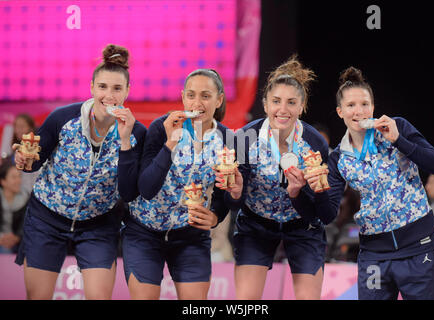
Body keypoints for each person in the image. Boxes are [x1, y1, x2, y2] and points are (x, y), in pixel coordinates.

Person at [13, 44, 146, 300]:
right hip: (47, 219)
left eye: (117, 88)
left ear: (128, 91)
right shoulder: (63, 118)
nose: (109, 95)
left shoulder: (137, 133)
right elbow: (35, 160)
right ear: (92, 88)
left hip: (98, 225)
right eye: (103, 87)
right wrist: (23, 159)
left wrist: (126, 141)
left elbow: (129, 192)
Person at [119, 68, 240, 299]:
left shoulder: (228, 139)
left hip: (190, 236)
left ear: (219, 100)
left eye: (206, 95)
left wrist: (215, 216)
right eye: (191, 95)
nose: (197, 102)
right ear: (183, 97)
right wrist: (170, 145)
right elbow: (146, 189)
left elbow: (227, 193)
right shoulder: (160, 128)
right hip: (144, 232)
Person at [327, 66, 434, 300]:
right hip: (374, 256)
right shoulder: (338, 158)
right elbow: (328, 213)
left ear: (373, 106)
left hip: (419, 248)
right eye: (351, 106)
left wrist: (399, 141)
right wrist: (303, 190)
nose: (359, 111)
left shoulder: (396, 127)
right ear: (340, 111)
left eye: (365, 104)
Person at [231, 56, 337, 300]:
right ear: (265, 104)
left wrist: (299, 194)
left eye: (291, 103)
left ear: (302, 106)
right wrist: (234, 193)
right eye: (276, 101)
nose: (283, 109)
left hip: (302, 226)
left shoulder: (315, 143)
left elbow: (322, 213)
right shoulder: (243, 137)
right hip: (255, 225)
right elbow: (233, 204)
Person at [0, 113, 40, 195]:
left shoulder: (36, 148)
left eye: (21, 127)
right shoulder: (13, 147)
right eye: (16, 127)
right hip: (17, 192)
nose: (18, 130)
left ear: (31, 128)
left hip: (31, 191)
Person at [0, 160, 29, 254]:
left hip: (19, 241)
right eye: (13, 177)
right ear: (3, 181)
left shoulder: (26, 198)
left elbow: (26, 224)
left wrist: (16, 237)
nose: (18, 181)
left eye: (19, 176)